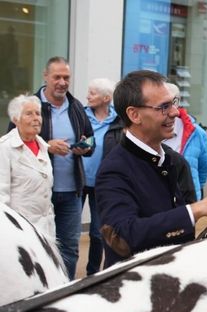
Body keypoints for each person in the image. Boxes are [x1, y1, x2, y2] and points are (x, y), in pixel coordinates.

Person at [95, 70, 207, 268]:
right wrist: (196, 210)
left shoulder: (174, 161)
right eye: (163, 107)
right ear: (134, 115)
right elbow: (123, 238)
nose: (175, 113)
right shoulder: (114, 169)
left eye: (174, 102)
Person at [8, 57, 94, 279]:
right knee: (35, 247)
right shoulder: (29, 105)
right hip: (37, 194)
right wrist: (48, 144)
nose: (62, 82)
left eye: (66, 77)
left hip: (72, 191)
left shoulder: (75, 107)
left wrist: (85, 147)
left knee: (69, 247)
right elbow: (14, 138)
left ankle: (64, 288)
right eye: (57, 77)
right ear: (45, 76)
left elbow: (91, 138)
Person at [0, 95, 55, 238]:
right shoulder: (5, 148)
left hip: (46, 228)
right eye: (29, 114)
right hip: (19, 230)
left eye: (38, 113)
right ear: (15, 119)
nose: (36, 118)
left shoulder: (42, 145)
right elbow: (1, 195)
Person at [82, 78, 121, 275]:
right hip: (78, 181)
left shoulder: (118, 120)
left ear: (106, 98)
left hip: (103, 184)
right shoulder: (80, 115)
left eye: (93, 93)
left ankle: (92, 273)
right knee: (70, 234)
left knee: (98, 233)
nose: (88, 96)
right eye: (89, 92)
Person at [164, 82, 207, 200]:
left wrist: (192, 189)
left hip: (188, 201)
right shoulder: (151, 130)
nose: (170, 110)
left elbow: (204, 170)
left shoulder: (197, 133)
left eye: (173, 102)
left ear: (178, 102)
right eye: (164, 105)